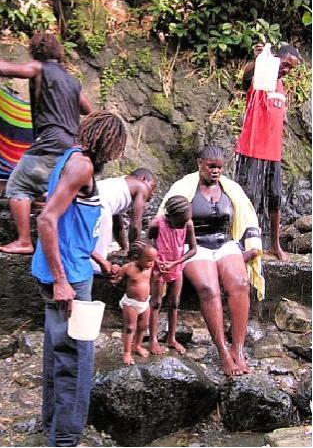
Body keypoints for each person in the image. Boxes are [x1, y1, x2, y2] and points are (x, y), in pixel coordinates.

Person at [32, 111, 127, 446]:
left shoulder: (69, 160)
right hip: (68, 278)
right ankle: (66, 439)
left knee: (56, 350)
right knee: (76, 358)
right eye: (116, 149)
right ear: (106, 143)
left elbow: (72, 224)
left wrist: (100, 258)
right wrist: (62, 281)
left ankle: (51, 424)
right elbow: (47, 220)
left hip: (71, 267)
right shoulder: (82, 166)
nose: (115, 157)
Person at [0, 32, 92, 254]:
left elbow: (6, 69)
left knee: (18, 186)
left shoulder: (39, 69)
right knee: (51, 189)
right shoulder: (72, 81)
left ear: (35, 51)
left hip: (49, 143)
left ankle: (24, 241)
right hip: (71, 148)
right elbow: (88, 110)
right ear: (58, 52)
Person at [158, 145, 264, 376]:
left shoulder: (231, 189)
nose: (216, 171)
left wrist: (253, 247)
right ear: (200, 164)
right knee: (209, 289)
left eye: (219, 167)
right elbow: (163, 219)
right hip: (195, 245)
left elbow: (249, 216)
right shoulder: (184, 187)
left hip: (225, 242)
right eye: (211, 166)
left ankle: (238, 349)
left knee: (241, 284)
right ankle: (223, 352)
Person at [235, 44, 301, 261]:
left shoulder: (280, 85)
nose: (286, 71)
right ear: (275, 59)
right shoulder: (261, 76)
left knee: (275, 199)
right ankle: (242, 241)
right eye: (285, 65)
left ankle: (275, 245)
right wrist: (258, 61)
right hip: (251, 148)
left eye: (291, 69)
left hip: (273, 153)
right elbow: (246, 79)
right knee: (248, 197)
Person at [147, 196, 197, 355]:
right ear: (171, 216)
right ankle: (153, 340)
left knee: (174, 303)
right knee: (155, 303)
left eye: (185, 221)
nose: (183, 225)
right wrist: (156, 259)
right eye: (180, 222)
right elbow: (146, 244)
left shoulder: (187, 224)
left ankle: (171, 338)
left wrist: (175, 263)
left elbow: (193, 250)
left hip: (176, 267)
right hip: (159, 267)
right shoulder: (157, 223)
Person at [91, 168, 157, 273]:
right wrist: (135, 253)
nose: (152, 194)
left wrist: (124, 247)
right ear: (143, 179)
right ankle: (97, 273)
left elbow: (117, 223)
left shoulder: (119, 185)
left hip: (89, 200)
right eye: (152, 188)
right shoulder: (142, 187)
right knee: (100, 253)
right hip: (101, 206)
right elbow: (135, 224)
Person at [110, 240, 157, 366]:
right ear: (137, 257)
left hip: (145, 302)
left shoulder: (151, 266)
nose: (151, 263)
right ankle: (126, 351)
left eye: (153, 260)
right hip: (131, 303)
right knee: (130, 327)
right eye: (148, 260)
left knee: (143, 326)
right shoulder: (128, 268)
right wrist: (115, 276)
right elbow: (117, 279)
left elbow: (154, 276)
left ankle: (137, 345)